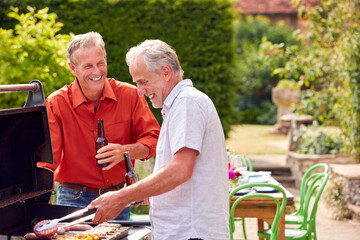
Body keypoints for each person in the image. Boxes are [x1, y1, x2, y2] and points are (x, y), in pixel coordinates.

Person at [90, 39, 229, 239]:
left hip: (191, 233)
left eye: (143, 82)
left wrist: (120, 197)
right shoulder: (179, 104)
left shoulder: (187, 102)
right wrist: (148, 193)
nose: (140, 91)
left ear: (166, 73)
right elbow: (182, 174)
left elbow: (180, 170)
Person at [37, 32, 160, 220]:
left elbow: (154, 138)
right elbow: (47, 162)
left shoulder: (130, 96)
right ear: (73, 68)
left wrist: (124, 151)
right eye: (88, 66)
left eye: (100, 63)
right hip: (73, 199)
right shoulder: (56, 103)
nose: (97, 71)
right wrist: (36, 206)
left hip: (118, 199)